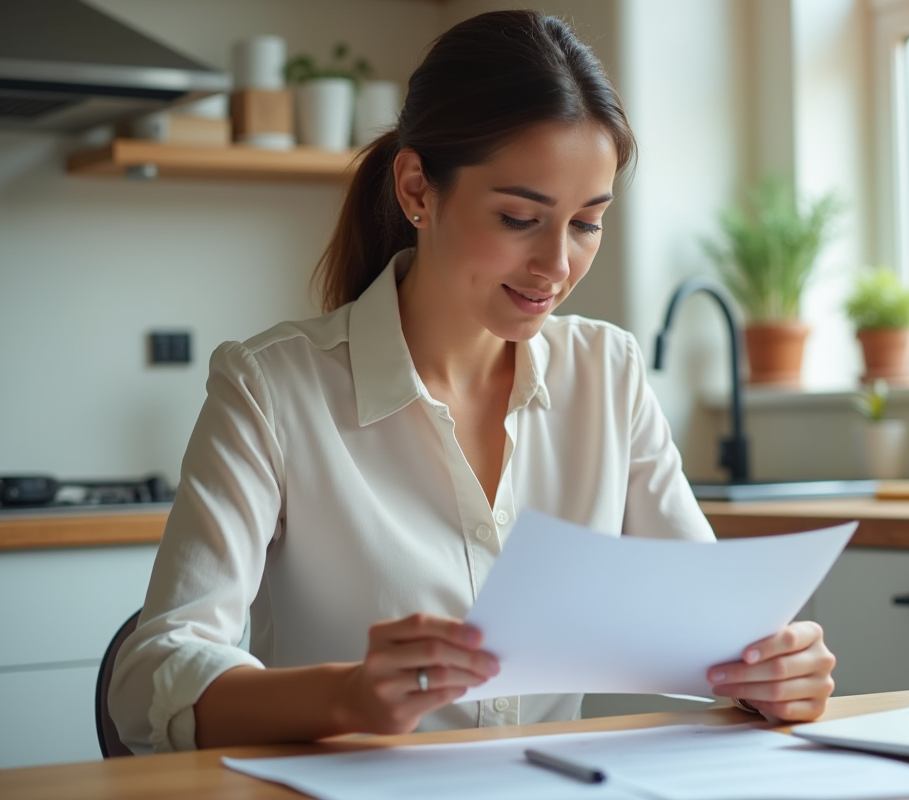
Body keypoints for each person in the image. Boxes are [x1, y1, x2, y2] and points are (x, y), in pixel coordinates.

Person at [110, 9, 835, 754]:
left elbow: (714, 634)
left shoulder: (608, 375)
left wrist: (773, 671)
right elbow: (150, 678)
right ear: (418, 189)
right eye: (521, 217)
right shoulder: (270, 388)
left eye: (587, 223)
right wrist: (348, 694)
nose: (557, 265)